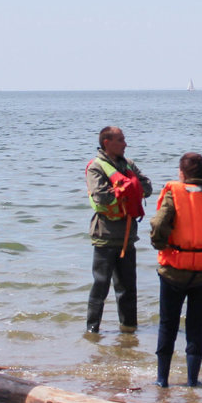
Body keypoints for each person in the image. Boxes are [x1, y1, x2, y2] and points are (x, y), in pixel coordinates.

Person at [150, 152, 202, 387]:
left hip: (176, 268)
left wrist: (159, 244)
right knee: (196, 326)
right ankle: (193, 380)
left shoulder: (175, 191)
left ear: (182, 173)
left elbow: (159, 224)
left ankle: (162, 380)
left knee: (168, 324)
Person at [84, 126, 153, 333]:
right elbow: (101, 196)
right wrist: (129, 189)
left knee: (128, 289)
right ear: (107, 142)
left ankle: (129, 332)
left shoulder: (129, 164)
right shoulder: (96, 167)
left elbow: (148, 187)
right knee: (100, 287)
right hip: (104, 237)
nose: (125, 144)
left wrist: (129, 189)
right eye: (121, 140)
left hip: (128, 237)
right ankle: (92, 331)